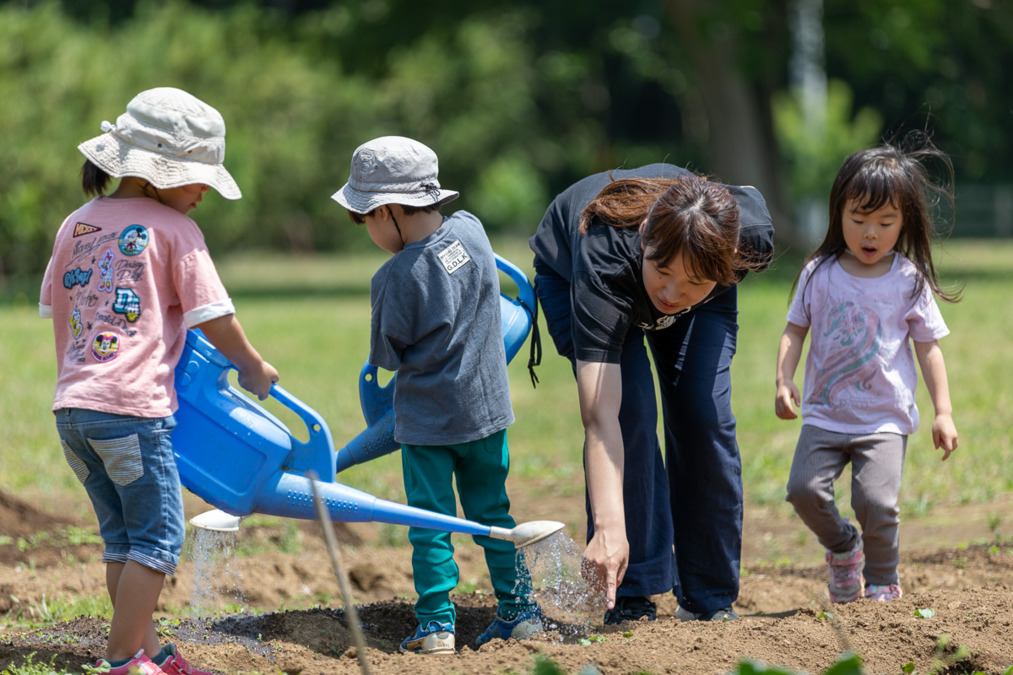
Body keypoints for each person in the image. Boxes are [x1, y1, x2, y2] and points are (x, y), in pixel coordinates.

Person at [39, 87, 279, 675]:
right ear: (156, 176)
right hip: (131, 412)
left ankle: (150, 652)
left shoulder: (76, 223)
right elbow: (214, 316)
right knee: (158, 540)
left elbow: (55, 306)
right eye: (197, 179)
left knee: (123, 538)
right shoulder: (174, 231)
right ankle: (123, 661)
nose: (202, 194)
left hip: (74, 412)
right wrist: (252, 365)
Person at [529, 164, 774, 624]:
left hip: (700, 262)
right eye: (662, 271)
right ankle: (629, 590)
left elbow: (742, 196)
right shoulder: (604, 254)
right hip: (578, 275)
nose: (671, 293)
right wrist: (607, 527)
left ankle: (708, 598)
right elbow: (600, 418)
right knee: (631, 412)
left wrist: (691, 279)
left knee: (704, 415)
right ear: (645, 235)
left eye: (691, 284)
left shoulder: (748, 239)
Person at [331, 136, 543, 654]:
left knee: (429, 524)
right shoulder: (471, 229)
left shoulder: (394, 276)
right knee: (494, 513)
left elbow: (385, 357)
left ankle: (436, 627)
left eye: (366, 222)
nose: (371, 233)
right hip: (489, 413)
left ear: (386, 212)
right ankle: (519, 612)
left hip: (428, 426)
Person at [774, 135, 960, 604]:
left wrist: (943, 412)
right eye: (859, 219)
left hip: (882, 418)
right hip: (824, 415)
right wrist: (783, 379)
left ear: (905, 223)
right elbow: (794, 330)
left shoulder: (908, 281)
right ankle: (843, 548)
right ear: (839, 214)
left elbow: (929, 349)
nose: (870, 233)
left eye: (885, 221)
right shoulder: (820, 272)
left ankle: (882, 581)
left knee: (876, 504)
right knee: (802, 490)